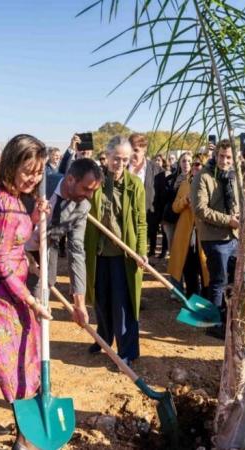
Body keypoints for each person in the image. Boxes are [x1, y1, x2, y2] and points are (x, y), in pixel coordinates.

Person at [0, 134, 52, 449]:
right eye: (28, 171)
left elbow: (4, 243)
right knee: (19, 363)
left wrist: (32, 217)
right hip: (1, 295)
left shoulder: (2, 191)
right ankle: (26, 439)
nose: (35, 178)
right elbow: (2, 261)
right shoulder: (5, 204)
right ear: (11, 164)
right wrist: (32, 300)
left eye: (39, 171)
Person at [85, 135, 147, 366]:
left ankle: (127, 351)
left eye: (124, 159)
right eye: (115, 158)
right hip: (99, 253)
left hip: (123, 255)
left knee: (123, 304)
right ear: (107, 156)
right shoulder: (96, 182)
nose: (119, 163)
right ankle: (103, 340)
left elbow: (141, 222)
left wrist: (141, 251)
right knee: (101, 300)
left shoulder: (135, 185)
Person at [25, 157, 103, 326]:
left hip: (43, 253)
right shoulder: (40, 183)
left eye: (93, 191)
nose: (90, 196)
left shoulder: (82, 207)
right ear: (70, 179)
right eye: (86, 189)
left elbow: (76, 251)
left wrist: (79, 303)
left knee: (40, 295)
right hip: (15, 250)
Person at [192, 139, 239, 338]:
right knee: (218, 281)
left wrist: (237, 219)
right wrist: (229, 220)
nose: (225, 161)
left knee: (231, 281)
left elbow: (238, 202)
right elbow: (201, 209)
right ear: (215, 155)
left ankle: (227, 320)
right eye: (221, 156)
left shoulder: (233, 177)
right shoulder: (203, 177)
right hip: (214, 237)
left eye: (229, 157)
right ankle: (215, 324)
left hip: (233, 236)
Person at [168, 152, 210, 297]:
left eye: (198, 164)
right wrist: (185, 200)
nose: (194, 167)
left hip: (204, 235)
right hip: (186, 235)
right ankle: (192, 301)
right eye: (193, 164)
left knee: (205, 271)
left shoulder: (211, 183)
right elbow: (175, 207)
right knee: (189, 270)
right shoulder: (185, 183)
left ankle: (206, 303)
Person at [128, 133, 162, 258]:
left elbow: (160, 196)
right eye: (130, 150)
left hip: (149, 218)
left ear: (144, 150)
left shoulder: (157, 171)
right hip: (126, 220)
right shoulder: (121, 168)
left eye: (136, 150)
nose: (133, 154)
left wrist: (157, 217)